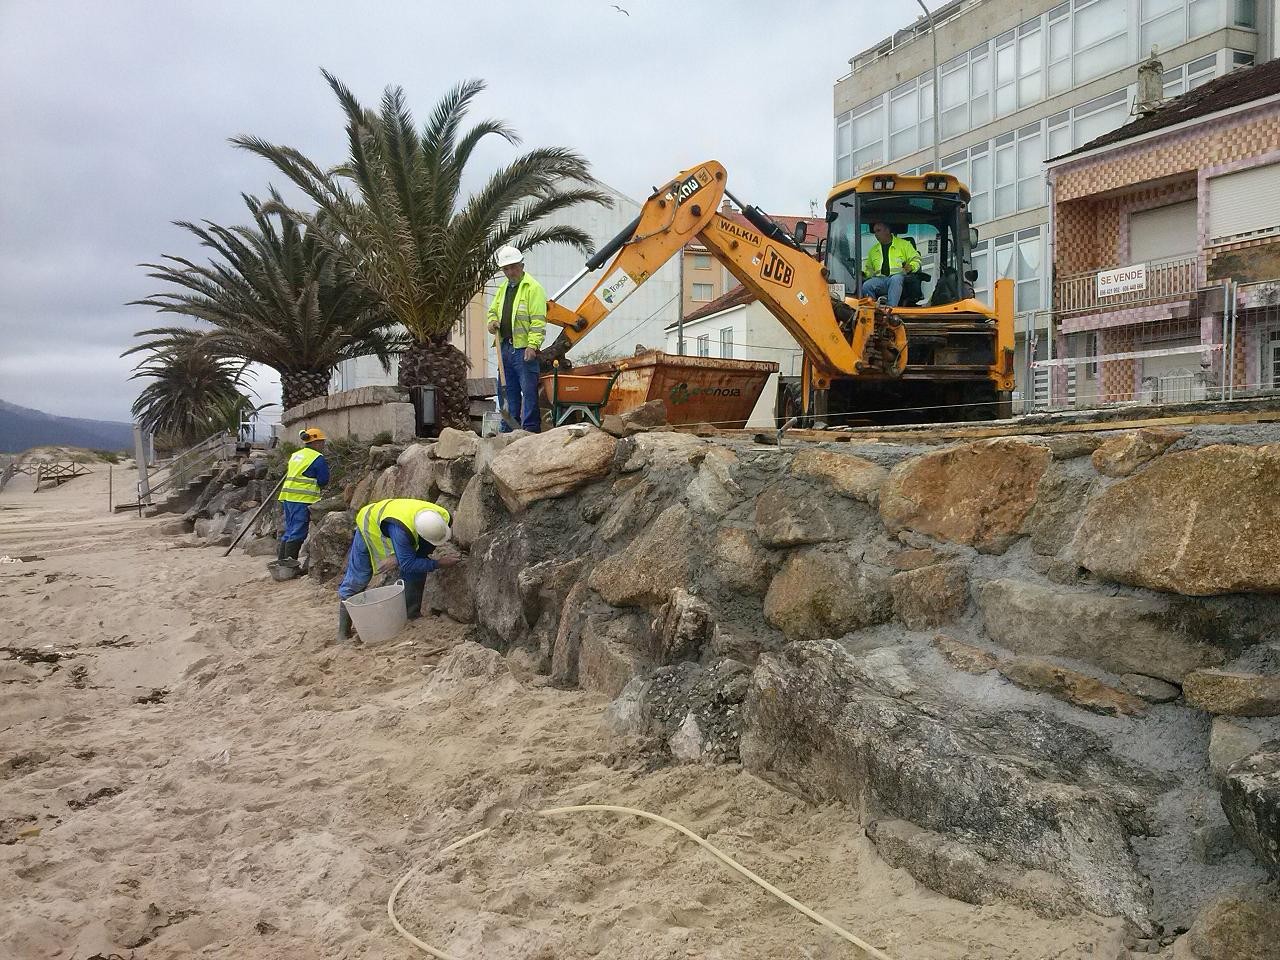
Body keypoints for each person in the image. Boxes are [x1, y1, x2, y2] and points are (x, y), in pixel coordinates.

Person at [335, 498, 460, 643]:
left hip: (397, 520)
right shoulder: (401, 532)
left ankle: (411, 614)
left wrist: (406, 557)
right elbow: (408, 564)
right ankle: (343, 632)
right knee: (358, 577)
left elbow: (417, 557)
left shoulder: (443, 518)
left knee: (418, 563)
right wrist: (438, 563)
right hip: (370, 523)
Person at [486, 245, 547, 433]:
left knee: (528, 391)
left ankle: (529, 429)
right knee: (507, 391)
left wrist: (532, 345)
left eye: (513, 267)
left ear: (521, 265)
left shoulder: (533, 288)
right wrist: (492, 322)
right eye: (506, 269)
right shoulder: (503, 288)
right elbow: (493, 311)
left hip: (523, 349)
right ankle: (508, 429)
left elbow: (538, 321)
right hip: (505, 347)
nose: (510, 272)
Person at [277, 427, 329, 564]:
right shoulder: (317, 458)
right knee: (298, 532)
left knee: (289, 530)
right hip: (302, 499)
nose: (323, 445)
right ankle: (289, 564)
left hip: (288, 497)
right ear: (315, 442)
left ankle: (281, 562)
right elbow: (323, 480)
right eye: (322, 442)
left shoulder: (296, 455)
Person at [861, 221, 922, 307]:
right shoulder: (873, 251)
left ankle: (891, 309)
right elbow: (870, 270)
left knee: (896, 279)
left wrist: (911, 267)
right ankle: (873, 309)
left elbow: (916, 259)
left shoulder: (904, 245)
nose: (876, 234)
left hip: (900, 280)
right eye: (874, 232)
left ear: (887, 230)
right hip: (881, 280)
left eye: (878, 230)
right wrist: (864, 274)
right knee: (867, 285)